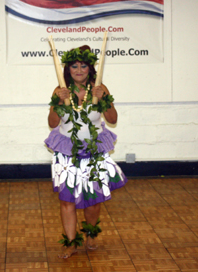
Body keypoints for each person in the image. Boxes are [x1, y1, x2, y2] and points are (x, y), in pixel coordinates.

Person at [45, 45, 127, 258]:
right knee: (67, 200)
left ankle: (90, 234)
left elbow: (113, 119)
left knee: (93, 200)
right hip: (66, 151)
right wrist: (57, 101)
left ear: (90, 69)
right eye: (74, 66)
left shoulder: (100, 88)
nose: (79, 70)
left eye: (83, 66)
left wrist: (104, 98)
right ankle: (71, 242)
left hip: (94, 151)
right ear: (68, 69)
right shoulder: (60, 90)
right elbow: (52, 122)